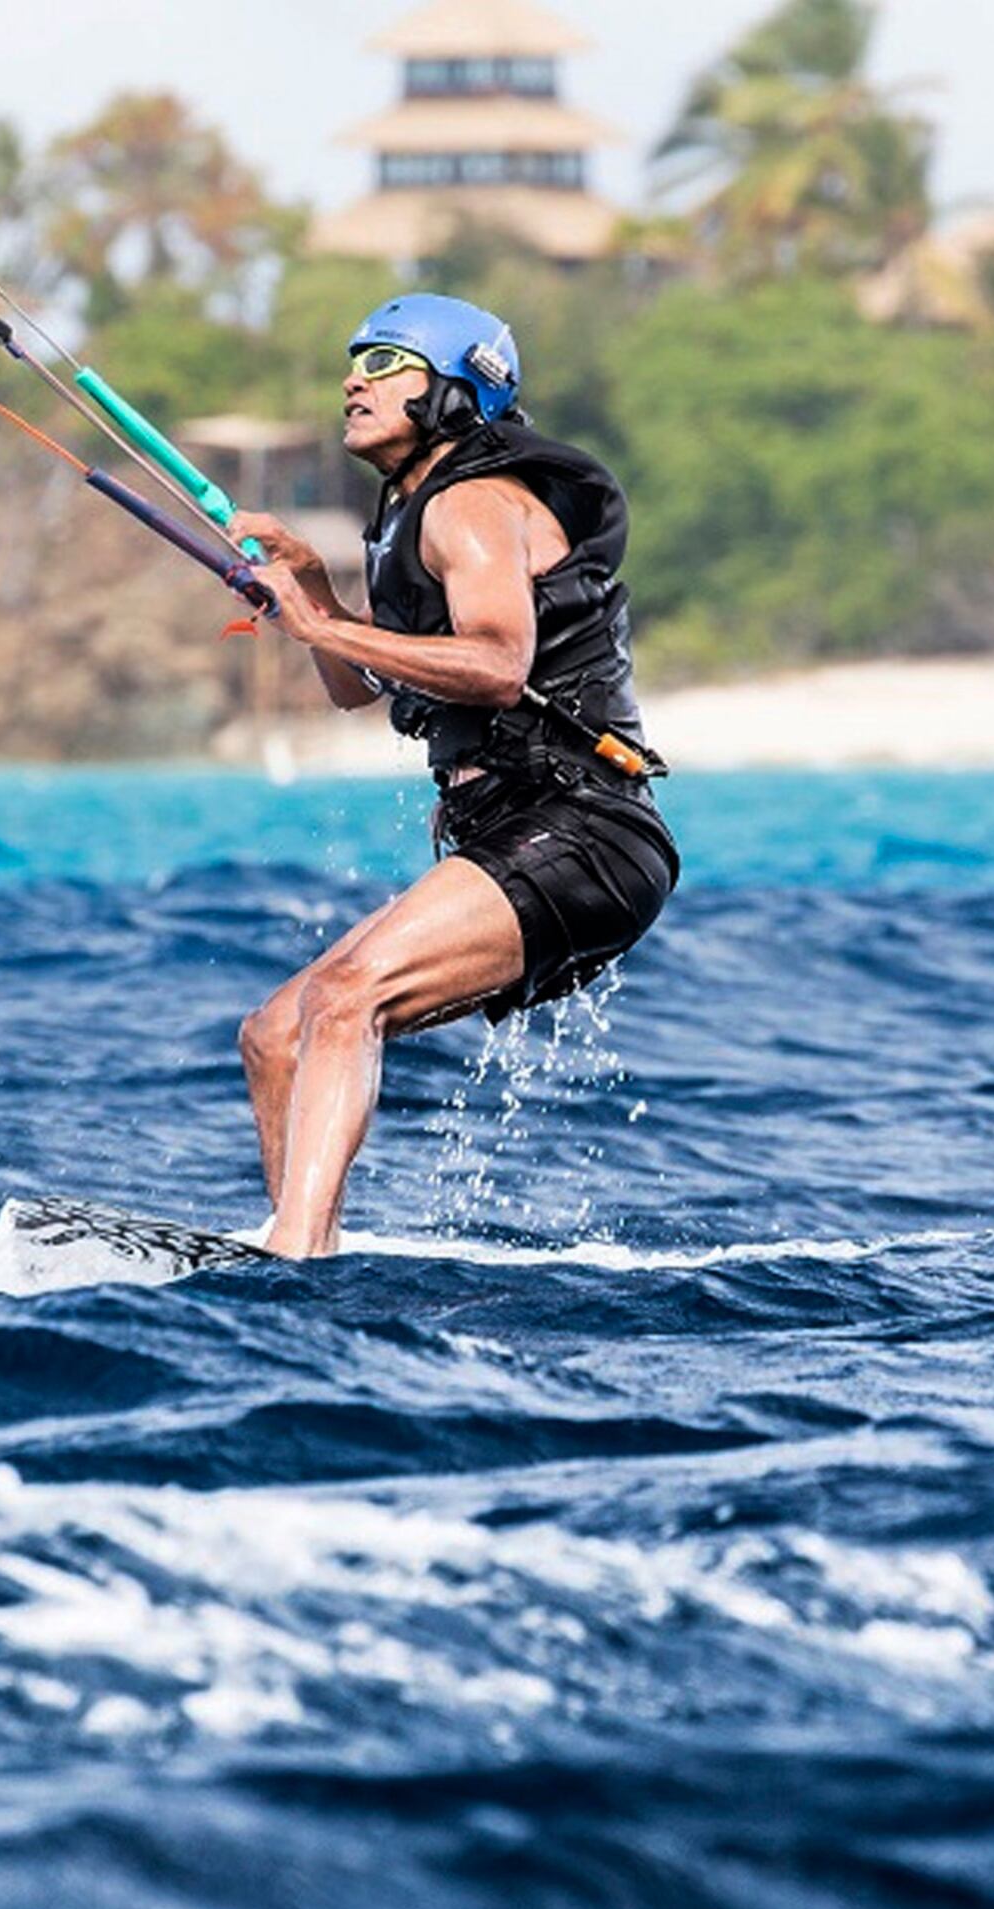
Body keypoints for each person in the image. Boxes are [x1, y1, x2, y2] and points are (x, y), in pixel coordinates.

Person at [223, 294, 678, 1260]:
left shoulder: (474, 506)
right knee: (276, 1036)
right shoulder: (406, 521)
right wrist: (315, 591)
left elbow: (499, 665)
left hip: (586, 827)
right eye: (353, 358)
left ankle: (297, 1250)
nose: (355, 377)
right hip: (517, 830)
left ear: (458, 390)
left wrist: (320, 625)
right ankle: (304, 1248)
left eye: (385, 361)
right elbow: (354, 686)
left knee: (346, 995)